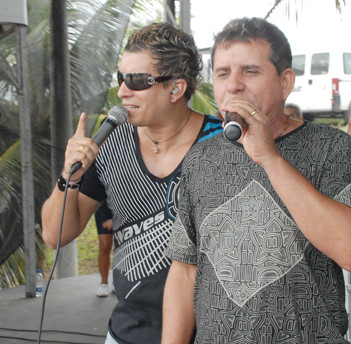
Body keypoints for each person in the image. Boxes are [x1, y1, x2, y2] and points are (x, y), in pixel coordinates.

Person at [162, 17, 351, 344]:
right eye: (222, 73)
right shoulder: (201, 159)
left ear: (285, 82)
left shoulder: (331, 147)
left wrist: (270, 158)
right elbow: (185, 269)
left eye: (250, 71)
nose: (233, 85)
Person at [41, 23, 223, 344]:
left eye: (137, 81)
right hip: (128, 331)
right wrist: (69, 176)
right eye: (120, 78)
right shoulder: (110, 142)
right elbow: (56, 235)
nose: (123, 91)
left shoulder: (222, 144)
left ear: (176, 89)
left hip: (212, 332)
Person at [95, 202, 113, 297]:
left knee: (122, 243)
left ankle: (117, 282)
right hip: (103, 202)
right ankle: (104, 283)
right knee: (104, 245)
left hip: (123, 201)